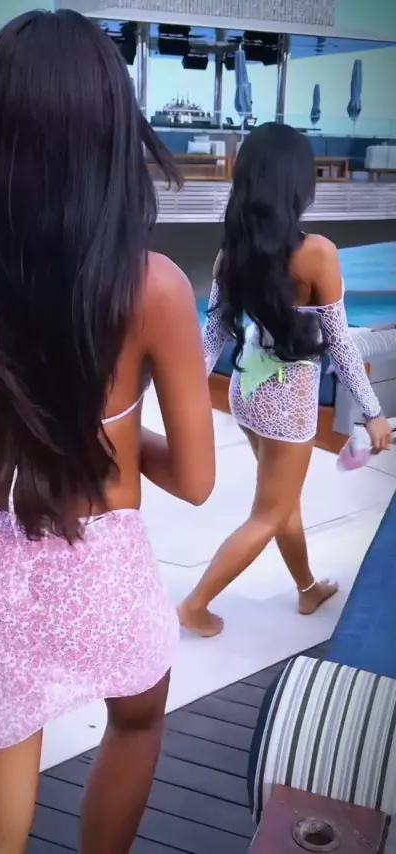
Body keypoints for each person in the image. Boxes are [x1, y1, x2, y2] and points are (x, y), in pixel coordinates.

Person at [0, 11, 215, 854]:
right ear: (113, 145)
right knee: (137, 718)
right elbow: (196, 481)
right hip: (102, 569)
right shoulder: (155, 287)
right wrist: (107, 436)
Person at [178, 122, 392, 638]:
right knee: (270, 511)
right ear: (296, 184)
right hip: (290, 405)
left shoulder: (231, 253)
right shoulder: (317, 252)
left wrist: (187, 394)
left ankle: (306, 588)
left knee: (281, 499)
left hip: (246, 392)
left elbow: (212, 333)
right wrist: (374, 413)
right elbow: (341, 344)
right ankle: (195, 604)